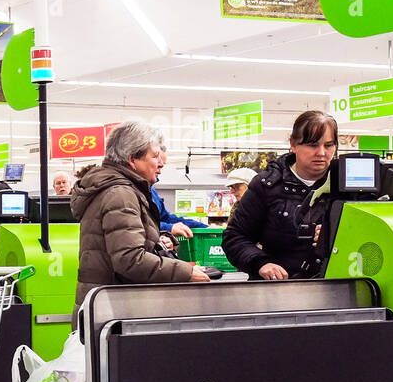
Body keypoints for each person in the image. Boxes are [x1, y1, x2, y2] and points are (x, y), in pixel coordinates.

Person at [70, 122, 209, 315]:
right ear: (132, 159)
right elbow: (129, 259)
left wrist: (156, 239)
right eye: (154, 156)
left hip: (106, 305)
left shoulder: (117, 189)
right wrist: (185, 271)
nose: (160, 163)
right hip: (115, 309)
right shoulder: (121, 194)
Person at [224, 110, 337, 281]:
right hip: (278, 290)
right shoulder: (266, 185)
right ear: (293, 144)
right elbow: (235, 237)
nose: (321, 153)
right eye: (313, 145)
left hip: (336, 288)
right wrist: (261, 263)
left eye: (328, 145)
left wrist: (337, 234)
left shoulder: (346, 188)